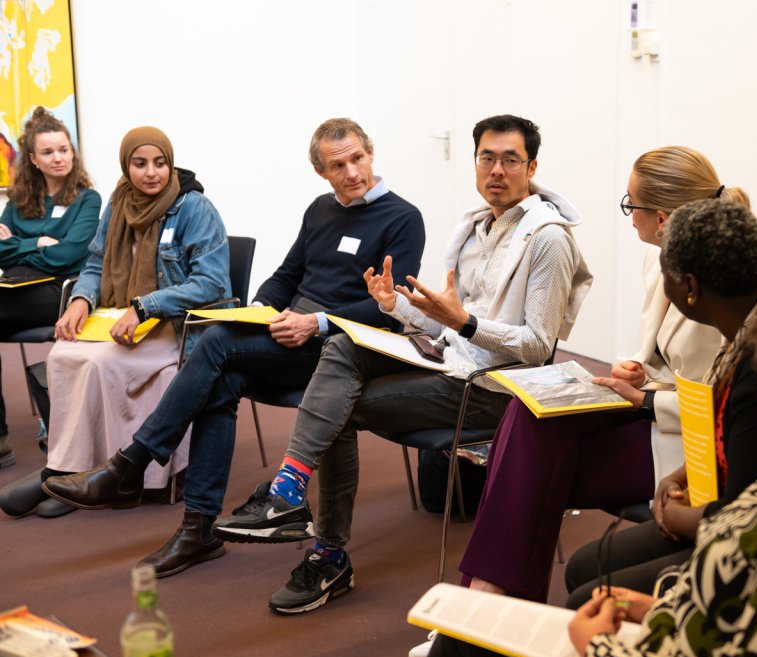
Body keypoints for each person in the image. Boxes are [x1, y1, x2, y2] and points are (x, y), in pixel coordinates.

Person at [373, 203, 757, 657]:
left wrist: (600, 645)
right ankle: (487, 603)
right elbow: (739, 574)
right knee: (540, 450)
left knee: (487, 647)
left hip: (676, 642)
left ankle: (479, 617)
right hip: (698, 579)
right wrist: (658, 607)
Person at [212, 114, 592, 615]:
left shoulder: (548, 240)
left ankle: (324, 551)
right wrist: (395, 306)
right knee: (344, 345)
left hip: (497, 387)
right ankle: (290, 490)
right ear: (475, 163)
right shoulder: (479, 229)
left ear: (532, 166)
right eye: (486, 158)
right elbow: (446, 325)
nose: (496, 170)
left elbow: (538, 346)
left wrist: (466, 323)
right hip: (454, 362)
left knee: (334, 406)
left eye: (510, 160)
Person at [40, 118, 426, 577]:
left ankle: (132, 462)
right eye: (337, 165)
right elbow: (287, 275)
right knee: (220, 378)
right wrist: (261, 308)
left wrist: (316, 322)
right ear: (321, 171)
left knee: (218, 343)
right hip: (288, 333)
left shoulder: (403, 218)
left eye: (357, 159)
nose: (352, 173)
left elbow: (389, 309)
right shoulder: (320, 209)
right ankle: (197, 530)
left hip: (342, 347)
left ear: (371, 152)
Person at [455, 147, 733, 604]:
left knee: (525, 472)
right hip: (652, 405)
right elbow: (664, 355)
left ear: (662, 218)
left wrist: (643, 399)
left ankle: (483, 604)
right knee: (527, 415)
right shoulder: (655, 258)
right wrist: (639, 369)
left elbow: (712, 407)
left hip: (685, 444)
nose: (628, 217)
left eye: (631, 205)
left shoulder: (714, 289)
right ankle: (489, 605)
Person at [561, 197, 757, 608]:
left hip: (754, 548)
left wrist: (676, 516)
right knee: (582, 566)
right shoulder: (756, 318)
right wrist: (677, 478)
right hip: (719, 505)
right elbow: (727, 441)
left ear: (691, 288)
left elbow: (746, 515)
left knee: (589, 597)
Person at [0, 126, 230, 519]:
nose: (151, 173)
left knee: (102, 363)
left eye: (159, 163)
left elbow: (211, 283)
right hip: (120, 318)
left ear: (170, 163)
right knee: (64, 355)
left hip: (176, 326)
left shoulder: (194, 207)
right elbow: (94, 262)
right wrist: (80, 299)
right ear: (126, 166)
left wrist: (145, 306)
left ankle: (87, 474)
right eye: (139, 164)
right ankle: (66, 468)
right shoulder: (120, 201)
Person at [0, 107, 100, 469]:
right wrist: (38, 242)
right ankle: (1, 436)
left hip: (61, 292)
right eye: (48, 152)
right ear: (33, 159)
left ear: (72, 152)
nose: (58, 158)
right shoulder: (20, 200)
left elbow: (69, 255)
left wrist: (21, 247)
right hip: (15, 289)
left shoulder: (87, 199)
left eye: (63, 150)